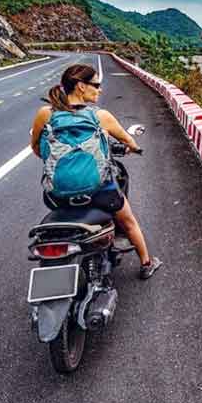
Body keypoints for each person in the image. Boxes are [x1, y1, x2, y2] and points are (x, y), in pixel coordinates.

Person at [30, 64, 162, 279]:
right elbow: (130, 142)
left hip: (57, 194)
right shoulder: (101, 116)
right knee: (128, 222)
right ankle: (147, 262)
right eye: (96, 85)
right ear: (81, 86)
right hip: (100, 191)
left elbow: (36, 148)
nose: (99, 90)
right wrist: (133, 148)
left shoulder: (45, 114)